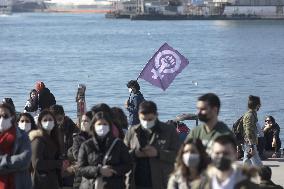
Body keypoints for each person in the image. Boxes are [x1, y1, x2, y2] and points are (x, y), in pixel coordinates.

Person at [124, 100, 180, 189]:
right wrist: (135, 153)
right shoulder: (132, 131)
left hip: (161, 182)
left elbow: (178, 156)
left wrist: (158, 153)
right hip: (135, 182)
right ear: (138, 116)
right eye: (143, 119)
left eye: (150, 119)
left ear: (156, 115)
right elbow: (122, 156)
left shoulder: (169, 131)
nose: (146, 122)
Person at [77, 111, 132, 189]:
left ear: (109, 126)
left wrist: (113, 170)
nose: (102, 127)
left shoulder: (118, 144)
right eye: (99, 124)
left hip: (114, 185)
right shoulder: (86, 145)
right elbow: (80, 168)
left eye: (105, 124)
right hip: (90, 185)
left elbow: (128, 165)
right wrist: (98, 170)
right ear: (93, 126)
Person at [191, 135, 259, 189]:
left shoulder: (250, 186)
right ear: (211, 154)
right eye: (217, 153)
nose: (221, 157)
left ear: (236, 154)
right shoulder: (199, 185)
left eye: (226, 153)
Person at [0, 103, 32, 189]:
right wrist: (16, 166)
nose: (2, 119)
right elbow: (20, 163)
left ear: (12, 117)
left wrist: (2, 163)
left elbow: (25, 160)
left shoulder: (22, 135)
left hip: (20, 184)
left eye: (5, 116)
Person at [29, 110, 63, 189]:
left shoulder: (53, 138)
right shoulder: (38, 140)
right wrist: (58, 163)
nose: (48, 122)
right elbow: (37, 164)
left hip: (52, 181)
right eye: (45, 120)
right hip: (41, 183)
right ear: (40, 123)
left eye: (50, 119)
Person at [49, 104, 79, 187]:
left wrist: (70, 166)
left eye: (59, 119)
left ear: (64, 116)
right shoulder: (47, 130)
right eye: (54, 120)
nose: (57, 122)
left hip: (69, 165)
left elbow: (76, 151)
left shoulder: (73, 129)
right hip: (55, 166)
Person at [71, 111, 93, 189]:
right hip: (81, 175)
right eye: (82, 121)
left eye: (86, 121)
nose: (83, 123)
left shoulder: (99, 138)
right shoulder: (78, 138)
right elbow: (76, 154)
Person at [242, 95, 263, 166]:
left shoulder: (251, 114)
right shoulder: (250, 115)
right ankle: (263, 174)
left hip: (249, 141)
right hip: (250, 141)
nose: (260, 106)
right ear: (257, 105)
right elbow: (248, 130)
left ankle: (243, 174)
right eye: (259, 104)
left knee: (247, 160)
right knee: (257, 163)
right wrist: (251, 145)